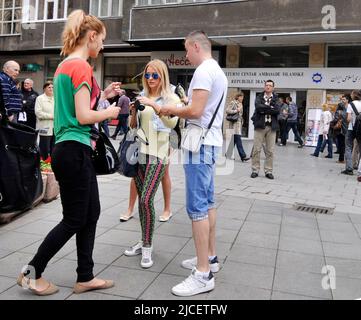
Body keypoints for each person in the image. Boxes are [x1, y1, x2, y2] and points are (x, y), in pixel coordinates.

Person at [17, 9, 121, 296]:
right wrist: (110, 112)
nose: (102, 46)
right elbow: (84, 115)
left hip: (68, 149)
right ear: (91, 36)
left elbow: (76, 109)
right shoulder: (82, 66)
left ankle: (85, 276)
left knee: (91, 212)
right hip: (75, 149)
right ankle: (32, 272)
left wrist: (103, 99)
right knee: (75, 218)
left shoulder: (64, 66)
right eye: (101, 40)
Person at [160, 30, 228, 297]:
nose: (186, 55)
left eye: (187, 50)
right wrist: (187, 103)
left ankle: (202, 274)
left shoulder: (202, 71)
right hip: (210, 142)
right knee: (208, 202)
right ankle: (210, 258)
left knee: (197, 207)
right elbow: (204, 107)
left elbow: (196, 112)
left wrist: (170, 109)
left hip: (198, 144)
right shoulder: (217, 71)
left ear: (196, 46)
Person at [123, 59, 179, 269]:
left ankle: (147, 246)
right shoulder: (142, 96)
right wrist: (132, 112)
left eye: (155, 75)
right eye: (147, 75)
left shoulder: (171, 97)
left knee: (146, 200)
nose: (151, 79)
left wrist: (155, 105)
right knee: (141, 201)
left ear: (162, 76)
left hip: (158, 155)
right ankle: (142, 239)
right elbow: (133, 126)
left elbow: (172, 123)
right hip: (139, 153)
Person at [251, 80, 280, 179]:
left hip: (272, 127)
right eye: (266, 85)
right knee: (256, 149)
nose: (268, 87)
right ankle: (255, 169)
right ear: (264, 87)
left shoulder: (276, 98)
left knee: (270, 151)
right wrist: (270, 108)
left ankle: (268, 171)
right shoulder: (259, 97)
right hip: (260, 126)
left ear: (273, 88)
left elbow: (277, 110)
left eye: (270, 85)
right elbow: (258, 108)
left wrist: (265, 109)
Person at [225, 92, 249, 161]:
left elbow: (240, 115)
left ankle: (228, 154)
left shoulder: (241, 104)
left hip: (238, 125)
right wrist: (236, 110)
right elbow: (227, 110)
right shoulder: (233, 102)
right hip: (234, 125)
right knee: (238, 140)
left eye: (243, 97)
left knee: (234, 140)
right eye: (241, 97)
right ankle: (243, 156)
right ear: (237, 97)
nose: (242, 98)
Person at [342, 90, 361, 175]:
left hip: (351, 129)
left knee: (348, 147)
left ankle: (349, 169)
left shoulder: (351, 104)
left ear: (353, 96)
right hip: (360, 129)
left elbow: (349, 119)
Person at [35, 81, 55, 160]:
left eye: (52, 87)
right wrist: (52, 116)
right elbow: (38, 113)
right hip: (44, 126)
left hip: (55, 127)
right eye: (49, 87)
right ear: (44, 89)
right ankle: (43, 163)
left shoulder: (55, 98)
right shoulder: (40, 98)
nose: (51, 89)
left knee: (54, 147)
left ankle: (53, 164)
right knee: (44, 147)